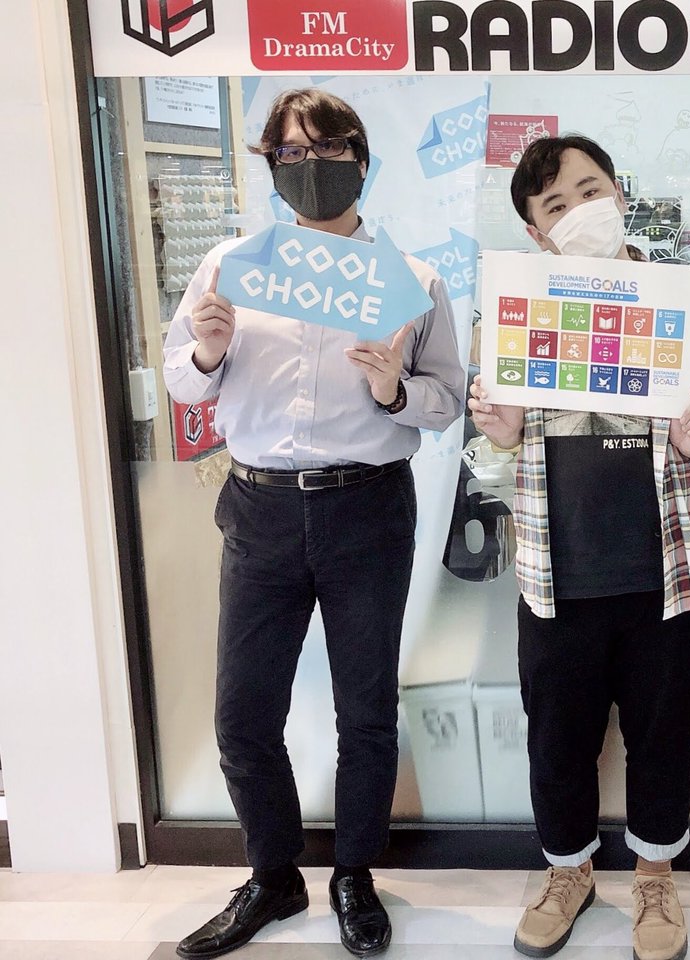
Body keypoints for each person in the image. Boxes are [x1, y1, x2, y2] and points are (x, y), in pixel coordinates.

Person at [164, 88, 464, 959]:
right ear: (271, 165)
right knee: (242, 713)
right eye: (290, 152)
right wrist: (208, 350)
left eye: (328, 148)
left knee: (365, 711)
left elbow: (446, 399)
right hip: (258, 507)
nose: (310, 165)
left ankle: (354, 875)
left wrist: (393, 390)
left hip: (366, 507)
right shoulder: (231, 266)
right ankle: (274, 874)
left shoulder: (413, 282)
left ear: (361, 160)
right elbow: (182, 379)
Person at [468, 135, 690, 960]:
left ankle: (655, 877)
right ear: (535, 231)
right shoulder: (512, 311)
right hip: (557, 572)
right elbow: (496, 442)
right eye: (556, 205)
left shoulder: (687, 303)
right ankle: (569, 872)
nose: (579, 211)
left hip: (670, 567)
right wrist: (501, 429)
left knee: (665, 735)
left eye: (590, 191)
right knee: (557, 739)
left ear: (619, 194)